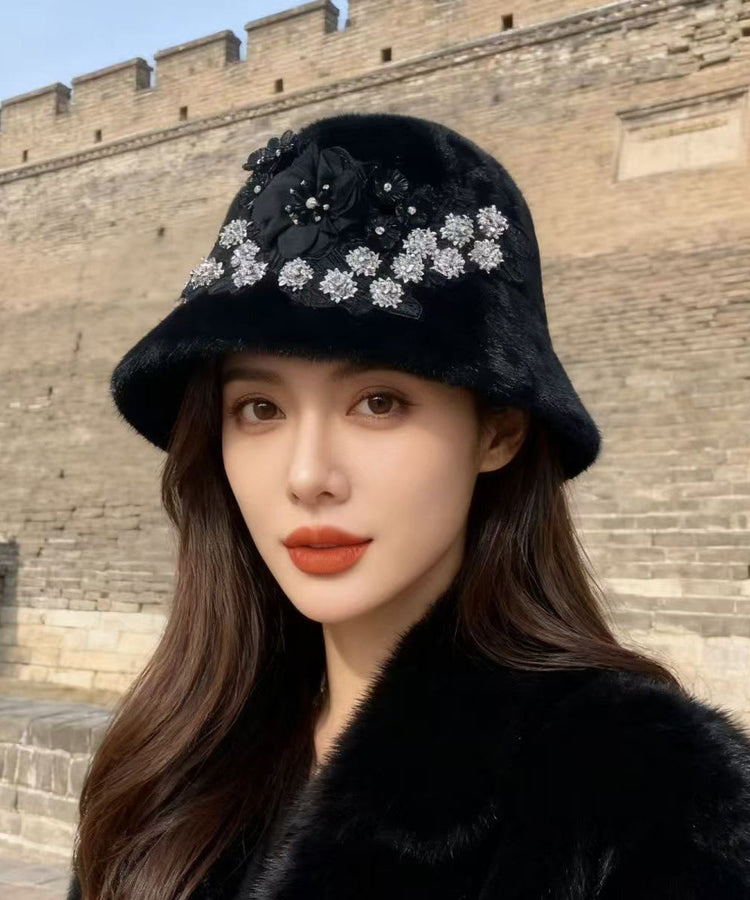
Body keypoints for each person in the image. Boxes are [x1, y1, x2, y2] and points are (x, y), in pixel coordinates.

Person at [66, 112, 750, 900]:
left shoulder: (647, 792)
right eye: (260, 409)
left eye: (379, 402)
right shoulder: (170, 762)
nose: (308, 476)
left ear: (498, 430)